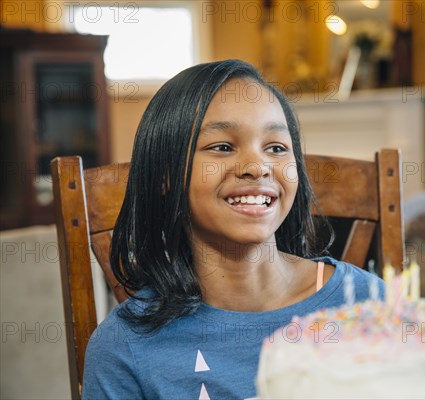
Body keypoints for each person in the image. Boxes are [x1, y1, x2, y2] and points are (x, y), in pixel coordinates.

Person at [82, 60, 385, 399]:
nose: (257, 167)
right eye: (223, 147)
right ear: (165, 175)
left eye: (276, 148)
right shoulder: (123, 346)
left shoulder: (370, 303)